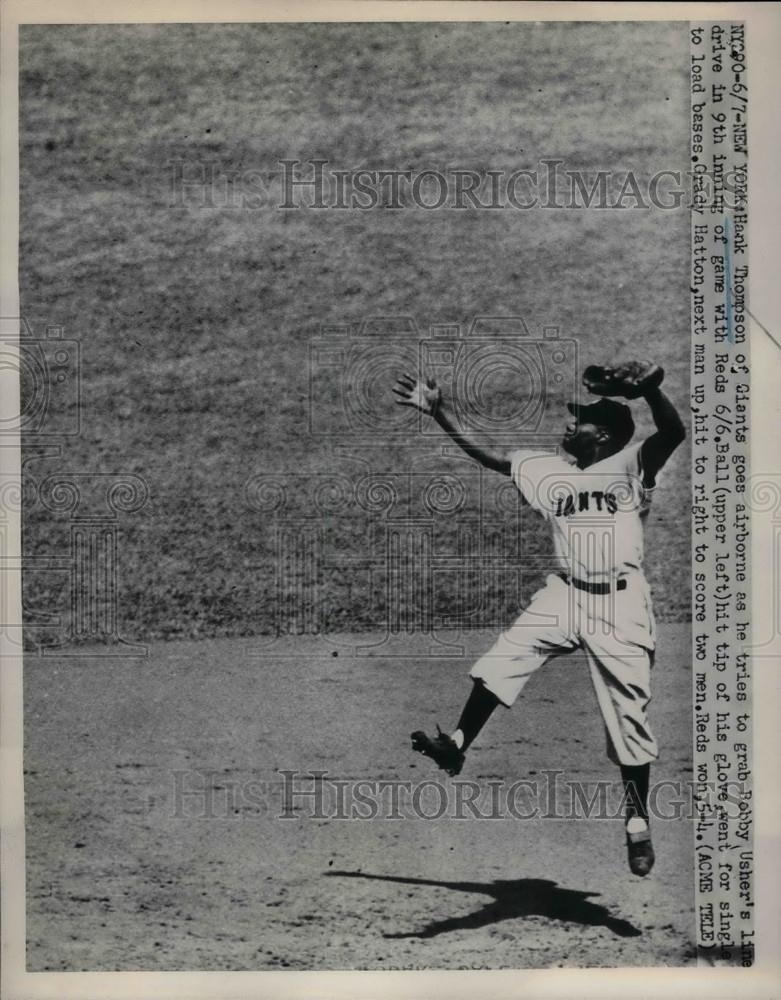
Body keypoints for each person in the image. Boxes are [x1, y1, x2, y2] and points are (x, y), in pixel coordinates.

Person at [392, 365, 685, 876]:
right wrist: (441, 413)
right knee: (504, 657)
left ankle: (636, 822)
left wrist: (650, 391)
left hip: (621, 605)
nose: (570, 424)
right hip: (565, 595)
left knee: (628, 717)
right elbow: (493, 455)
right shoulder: (548, 471)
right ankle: (457, 745)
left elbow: (673, 432)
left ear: (607, 435)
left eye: (583, 420)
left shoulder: (631, 464)